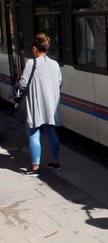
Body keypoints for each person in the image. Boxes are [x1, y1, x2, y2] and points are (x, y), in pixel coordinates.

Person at [18, 33, 62, 176]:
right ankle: (55, 162)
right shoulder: (54, 64)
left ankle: (35, 167)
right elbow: (59, 82)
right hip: (51, 105)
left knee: (33, 134)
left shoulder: (31, 63)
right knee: (51, 132)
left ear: (35, 49)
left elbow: (23, 83)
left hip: (35, 104)